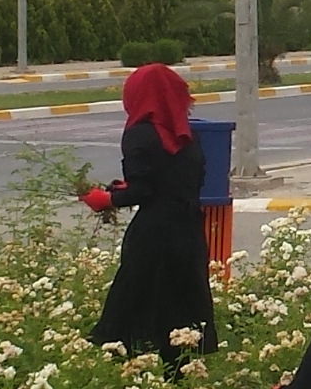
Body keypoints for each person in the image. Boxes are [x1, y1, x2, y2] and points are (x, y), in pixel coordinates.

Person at [86, 62, 215, 371]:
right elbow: (177, 182)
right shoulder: (189, 135)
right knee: (179, 302)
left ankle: (125, 368)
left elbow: (143, 191)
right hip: (188, 230)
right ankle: (179, 371)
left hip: (154, 233)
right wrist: (129, 187)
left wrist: (108, 199)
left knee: (134, 299)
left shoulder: (139, 134)